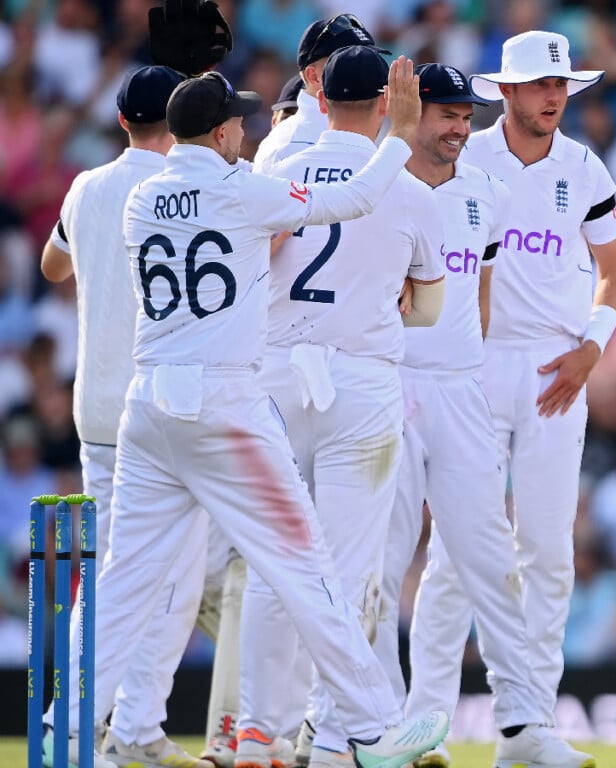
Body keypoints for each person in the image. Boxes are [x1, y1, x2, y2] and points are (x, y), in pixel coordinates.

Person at [64, 61, 449, 768]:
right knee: (307, 568)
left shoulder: (142, 198)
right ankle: (370, 727)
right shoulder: (242, 190)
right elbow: (359, 197)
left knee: (122, 581)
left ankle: (65, 728)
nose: (246, 128)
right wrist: (396, 130)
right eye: (238, 121)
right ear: (218, 133)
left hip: (148, 410)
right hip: (225, 408)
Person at [406, 31, 616, 767]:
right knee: (455, 553)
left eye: (561, 84)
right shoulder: (465, 154)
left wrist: (593, 346)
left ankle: (527, 727)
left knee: (545, 548)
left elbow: (612, 267)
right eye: (539, 85)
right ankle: (424, 724)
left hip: (556, 370)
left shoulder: (585, 165)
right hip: (473, 365)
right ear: (505, 90)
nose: (554, 96)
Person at [237, 45, 446, 768]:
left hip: (273, 377)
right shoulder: (411, 188)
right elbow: (427, 312)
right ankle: (335, 738)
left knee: (275, 563)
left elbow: (252, 269)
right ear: (386, 106)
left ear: (321, 100)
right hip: (360, 382)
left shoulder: (275, 169)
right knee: (349, 569)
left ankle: (260, 733)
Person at [379, 62, 589, 768]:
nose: (458, 129)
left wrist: (470, 369)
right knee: (387, 565)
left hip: (462, 388)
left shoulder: (485, 193)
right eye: (446, 116)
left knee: (493, 558)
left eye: (465, 117)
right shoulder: (382, 189)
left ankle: (525, 725)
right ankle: (388, 726)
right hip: (394, 387)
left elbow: (483, 297)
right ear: (413, 113)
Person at [38, 65, 215, 768]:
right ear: (180, 121)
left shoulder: (87, 187)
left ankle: (138, 725)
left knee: (162, 578)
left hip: (101, 407)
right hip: (161, 410)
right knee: (134, 580)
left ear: (120, 122)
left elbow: (53, 267)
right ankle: (75, 726)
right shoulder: (183, 190)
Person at [253, 13, 385, 174]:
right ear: (314, 76)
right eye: (346, 61)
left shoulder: (374, 126)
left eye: (366, 59)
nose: (362, 69)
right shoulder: (289, 146)